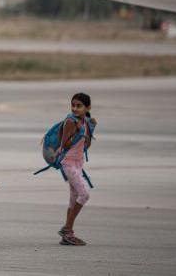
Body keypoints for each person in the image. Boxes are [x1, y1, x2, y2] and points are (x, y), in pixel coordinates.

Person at [58, 92, 95, 246]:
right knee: (84, 195)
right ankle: (67, 229)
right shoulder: (70, 122)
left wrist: (90, 129)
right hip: (68, 163)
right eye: (73, 105)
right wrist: (77, 130)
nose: (74, 108)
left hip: (78, 164)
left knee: (74, 199)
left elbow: (87, 146)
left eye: (78, 106)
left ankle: (68, 234)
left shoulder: (86, 121)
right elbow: (63, 145)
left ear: (88, 107)